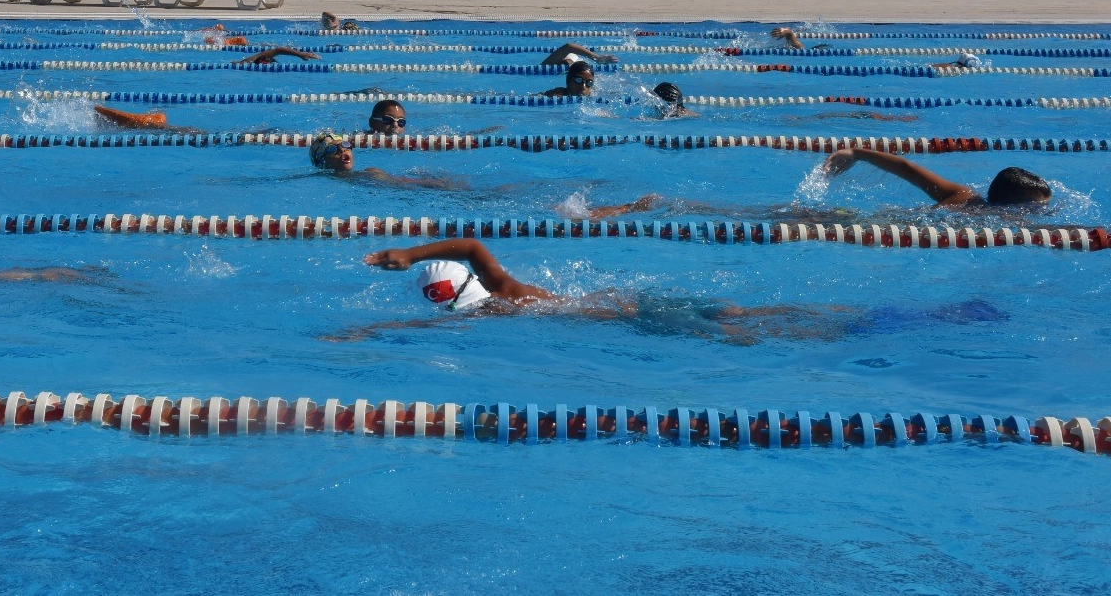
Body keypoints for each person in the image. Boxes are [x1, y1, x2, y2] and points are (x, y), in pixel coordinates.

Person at [350, 238, 1007, 344]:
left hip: (644, 322)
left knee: (760, 336)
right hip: (646, 298)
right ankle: (921, 314)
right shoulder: (510, 287)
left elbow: (427, 328)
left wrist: (366, 332)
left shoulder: (496, 309)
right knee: (762, 314)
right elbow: (467, 246)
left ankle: (889, 323)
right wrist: (404, 251)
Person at [824, 148, 1050, 208]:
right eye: (1038, 207)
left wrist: (857, 153)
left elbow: (908, 168)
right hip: (890, 227)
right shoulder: (1008, 221)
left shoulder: (963, 195)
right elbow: (907, 168)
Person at [308, 132, 461, 189]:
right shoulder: (320, 182)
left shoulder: (369, 173)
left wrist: (432, 184)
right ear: (322, 162)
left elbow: (400, 182)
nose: (342, 150)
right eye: (332, 149)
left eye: (346, 145)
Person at [540, 42, 618, 66]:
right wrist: (597, 58)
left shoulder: (547, 65)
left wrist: (597, 58)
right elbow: (569, 47)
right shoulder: (547, 65)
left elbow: (569, 47)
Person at [234, 46, 321, 65]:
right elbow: (278, 50)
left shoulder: (248, 61)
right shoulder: (247, 62)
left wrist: (300, 54)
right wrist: (300, 54)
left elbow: (278, 50)